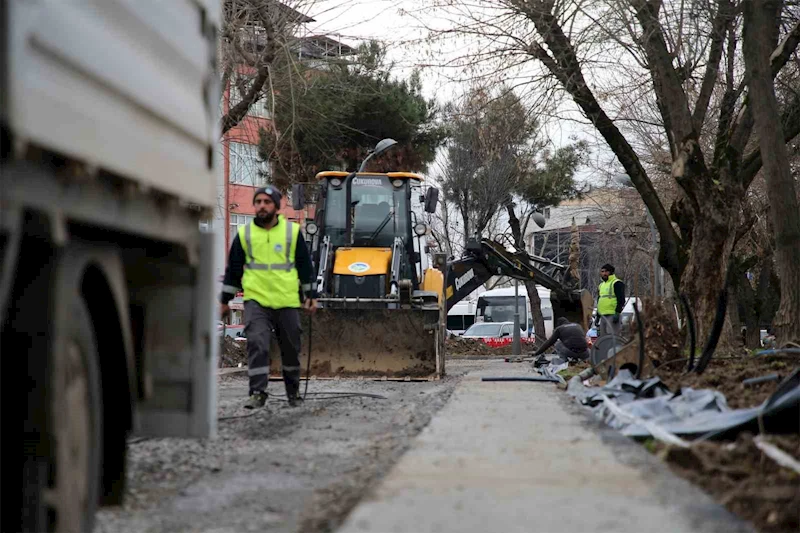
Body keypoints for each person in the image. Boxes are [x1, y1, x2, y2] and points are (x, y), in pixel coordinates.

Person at [219, 186, 318, 409]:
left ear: (276, 206)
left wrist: (311, 296)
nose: (262, 205)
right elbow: (233, 271)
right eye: (258, 202)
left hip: (287, 301)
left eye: (266, 201)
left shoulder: (292, 233)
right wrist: (224, 300)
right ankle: (257, 392)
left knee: (291, 349)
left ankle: (293, 393)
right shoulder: (245, 235)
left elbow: (305, 267)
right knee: (257, 343)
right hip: (257, 300)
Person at [595, 263, 625, 338]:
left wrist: (617, 312)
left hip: (612, 315)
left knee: (613, 338)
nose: (604, 273)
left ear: (611, 272)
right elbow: (599, 300)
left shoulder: (616, 283)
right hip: (603, 316)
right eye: (602, 271)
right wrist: (598, 316)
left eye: (606, 271)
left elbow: (621, 299)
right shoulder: (601, 285)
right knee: (603, 339)